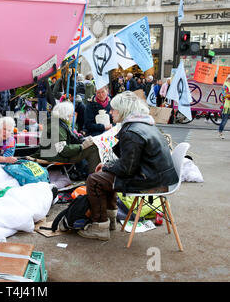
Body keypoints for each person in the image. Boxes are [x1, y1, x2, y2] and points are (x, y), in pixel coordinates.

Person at [78, 91, 179, 241]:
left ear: (124, 110)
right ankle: (109, 222)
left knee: (94, 180)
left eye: (113, 109)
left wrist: (106, 167)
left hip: (149, 180)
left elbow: (126, 169)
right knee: (103, 177)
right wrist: (107, 165)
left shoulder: (132, 131)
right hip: (156, 176)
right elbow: (129, 162)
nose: (110, 112)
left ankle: (100, 227)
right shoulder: (144, 123)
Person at [31, 101, 101, 174]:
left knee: (93, 145)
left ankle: (90, 174)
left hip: (55, 154)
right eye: (71, 115)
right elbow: (62, 150)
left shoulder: (58, 123)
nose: (73, 116)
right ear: (66, 115)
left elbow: (70, 141)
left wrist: (84, 141)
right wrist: (81, 146)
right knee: (94, 147)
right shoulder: (57, 127)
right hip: (57, 156)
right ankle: (94, 176)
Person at [218, 75, 230, 139]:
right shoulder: (225, 85)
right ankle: (220, 132)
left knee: (224, 120)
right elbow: (225, 95)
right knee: (224, 120)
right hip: (227, 106)